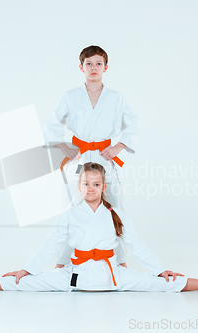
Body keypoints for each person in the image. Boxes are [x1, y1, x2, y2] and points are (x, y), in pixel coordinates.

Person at [0, 162, 198, 293]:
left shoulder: (116, 213)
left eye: (96, 184)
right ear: (79, 185)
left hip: (113, 278)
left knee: (166, 283)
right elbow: (51, 245)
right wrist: (28, 269)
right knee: (18, 282)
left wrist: (159, 269)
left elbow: (136, 245)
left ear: (103, 186)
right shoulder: (70, 214)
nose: (90, 188)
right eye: (85, 183)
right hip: (73, 278)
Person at [45, 45, 138, 269]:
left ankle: (121, 261)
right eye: (88, 63)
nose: (93, 67)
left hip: (105, 157)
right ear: (81, 67)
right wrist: (64, 148)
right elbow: (52, 123)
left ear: (106, 67)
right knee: (72, 208)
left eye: (98, 63)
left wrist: (118, 147)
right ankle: (62, 262)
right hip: (79, 157)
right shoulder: (71, 96)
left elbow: (133, 124)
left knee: (115, 206)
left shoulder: (116, 98)